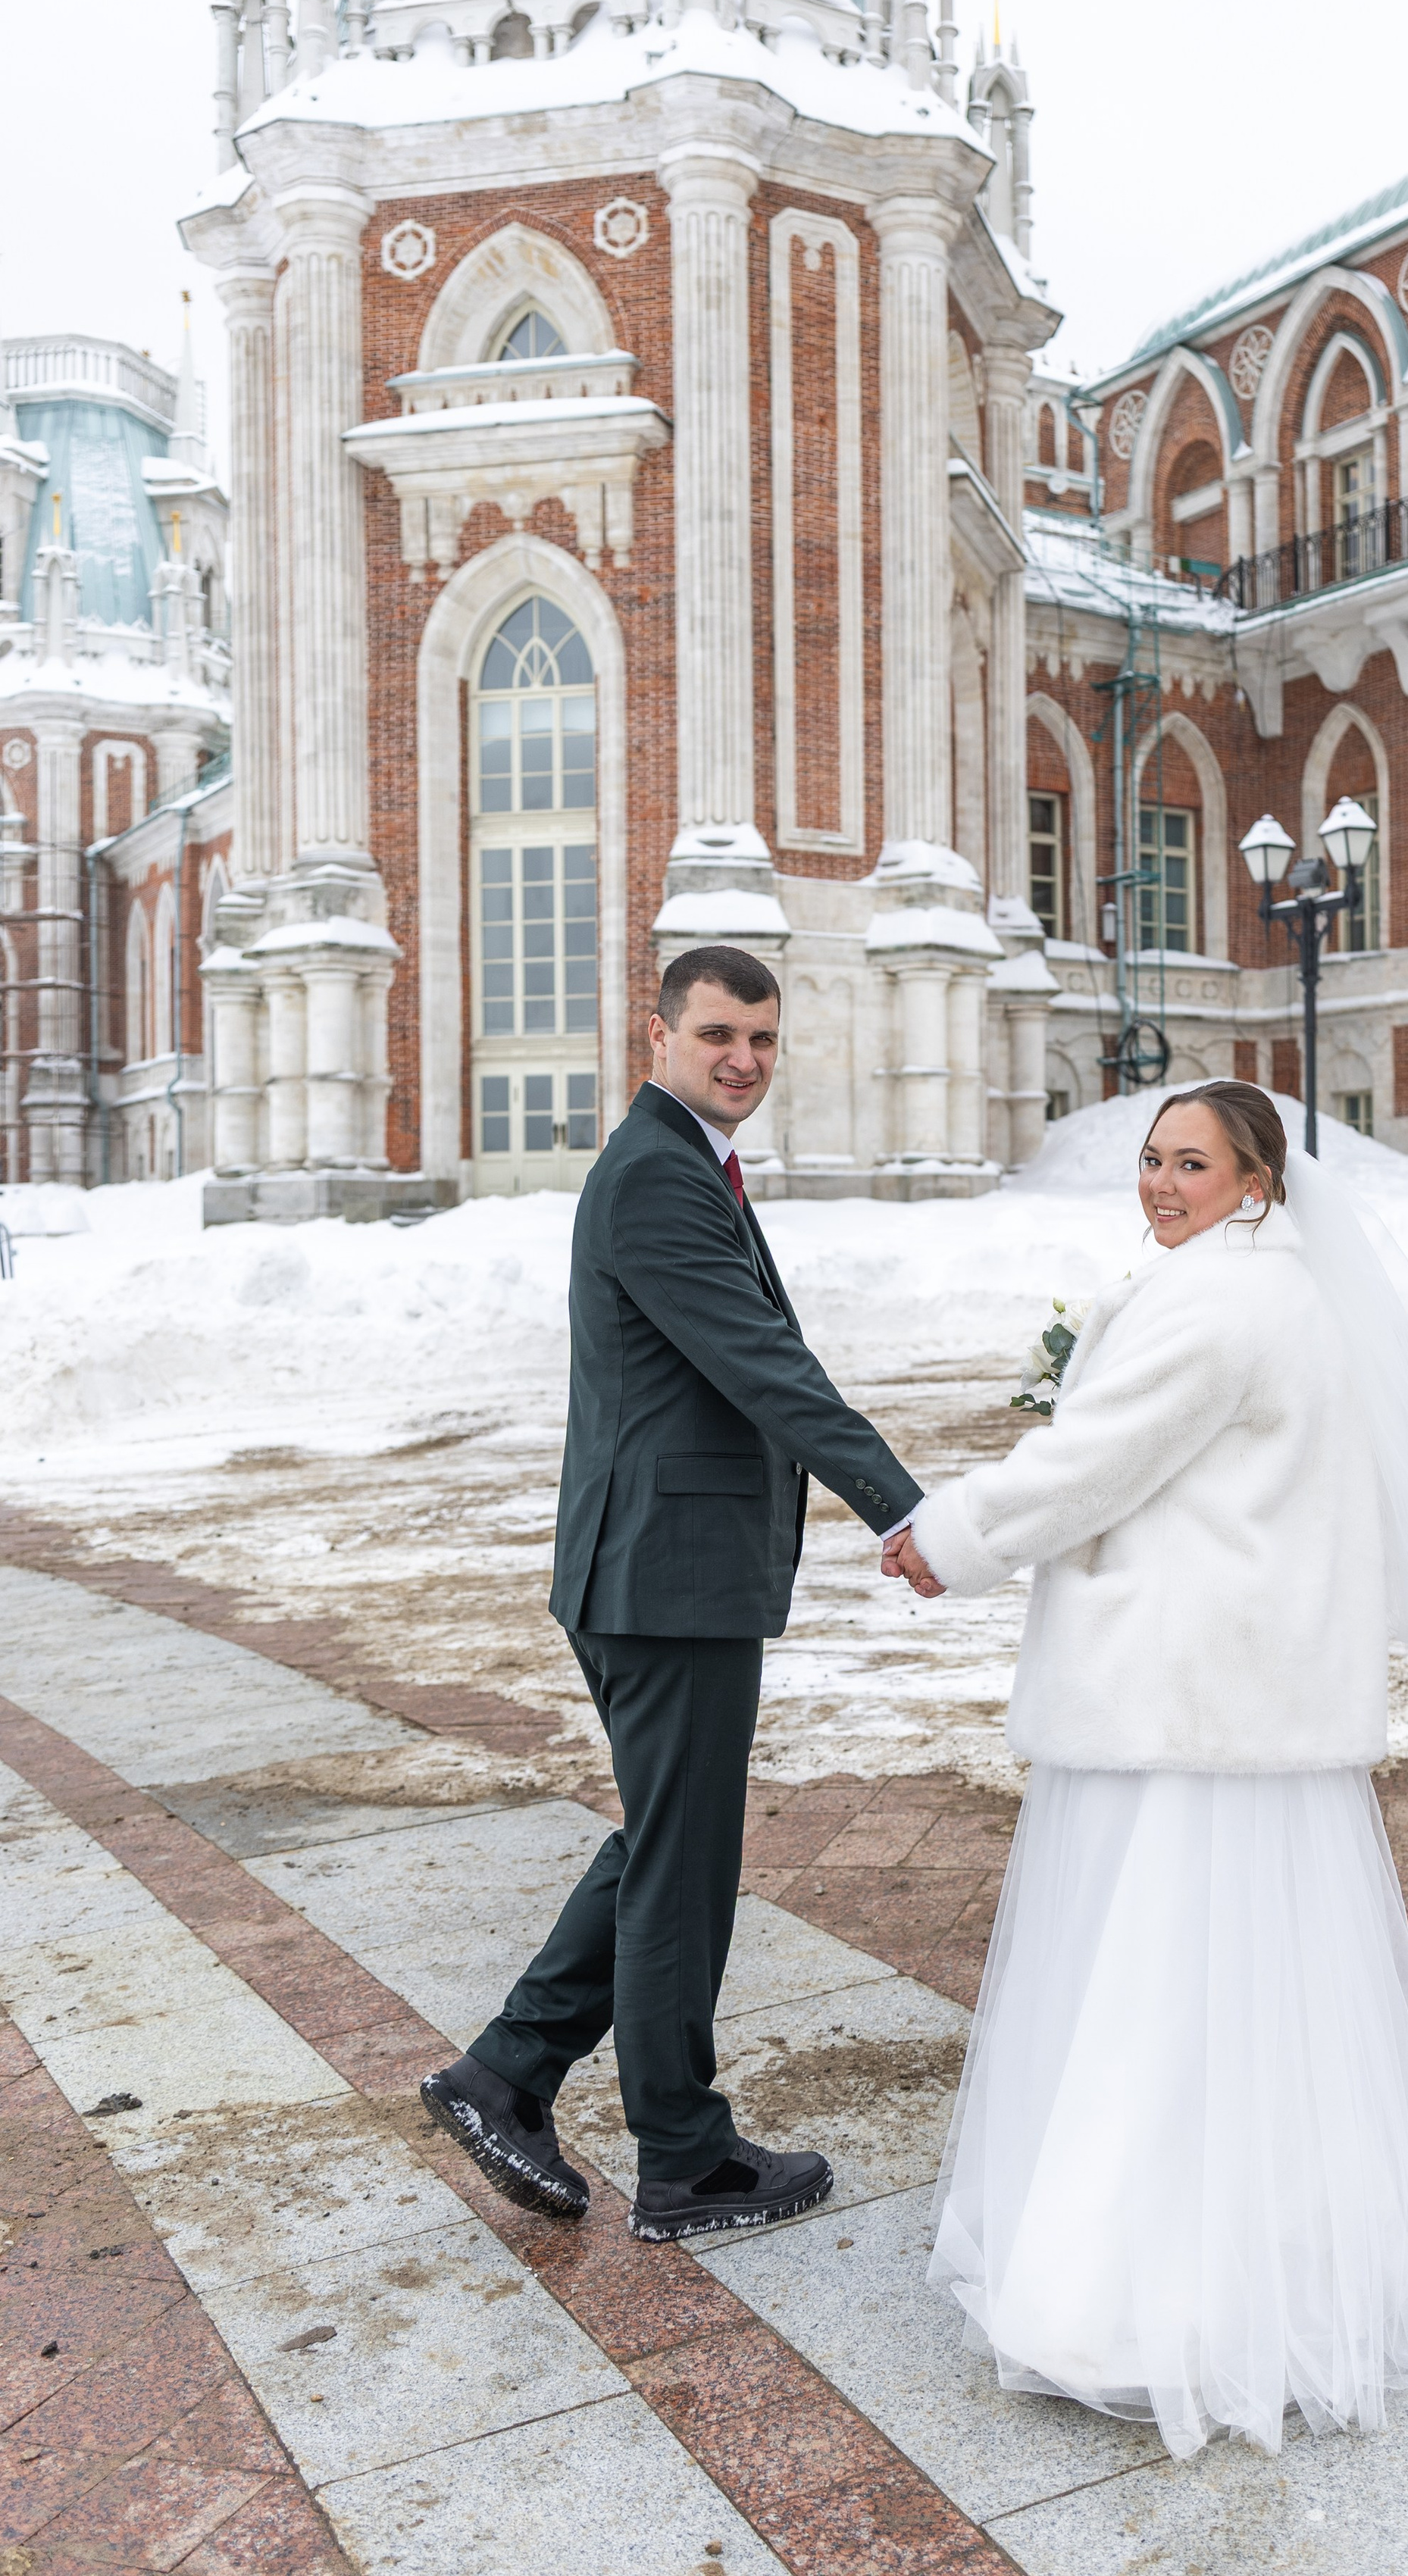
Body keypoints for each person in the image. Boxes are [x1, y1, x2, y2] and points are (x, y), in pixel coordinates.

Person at [889, 1080, 1408, 2461]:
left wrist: (955, 1534)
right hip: (1244, 1698)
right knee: (1258, 1991)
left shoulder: (1217, 1303)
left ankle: (1145, 2294)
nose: (1161, 1183)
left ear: (1260, 1180)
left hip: (1184, 1699)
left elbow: (1096, 1461)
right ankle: (1291, 2258)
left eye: (1191, 1162)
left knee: (1161, 1981)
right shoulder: (1271, 1292)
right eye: (1151, 1159)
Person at [422, 943, 928, 2242]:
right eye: (718, 1035)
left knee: (668, 1848)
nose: (744, 1059)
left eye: (762, 1037)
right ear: (657, 1035)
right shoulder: (656, 1174)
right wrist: (901, 1502)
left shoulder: (681, 1161)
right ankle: (683, 2158)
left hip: (662, 1571)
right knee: (680, 1867)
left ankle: (508, 2075)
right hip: (666, 1579)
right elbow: (765, 1362)